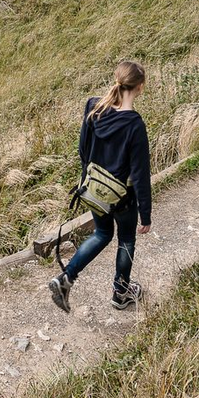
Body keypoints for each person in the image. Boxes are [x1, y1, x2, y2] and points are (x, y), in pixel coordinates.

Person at [49, 61, 152, 313]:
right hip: (123, 197)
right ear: (140, 87)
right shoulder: (135, 126)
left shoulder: (93, 107)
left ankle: (66, 278)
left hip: (94, 188)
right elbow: (140, 175)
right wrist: (146, 214)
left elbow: (83, 150)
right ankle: (120, 293)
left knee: (102, 233)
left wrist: (92, 178)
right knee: (126, 239)